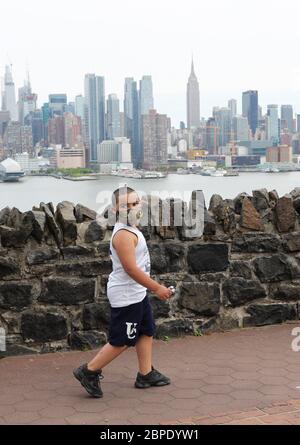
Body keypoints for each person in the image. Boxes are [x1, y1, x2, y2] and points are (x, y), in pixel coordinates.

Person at [73, 186, 172, 398]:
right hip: (127, 296)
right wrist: (157, 288)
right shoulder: (123, 235)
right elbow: (131, 269)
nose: (133, 207)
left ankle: (145, 374)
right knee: (122, 340)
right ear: (115, 209)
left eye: (136, 203)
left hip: (137, 293)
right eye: (126, 205)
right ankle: (88, 371)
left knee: (146, 330)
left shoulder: (132, 228)